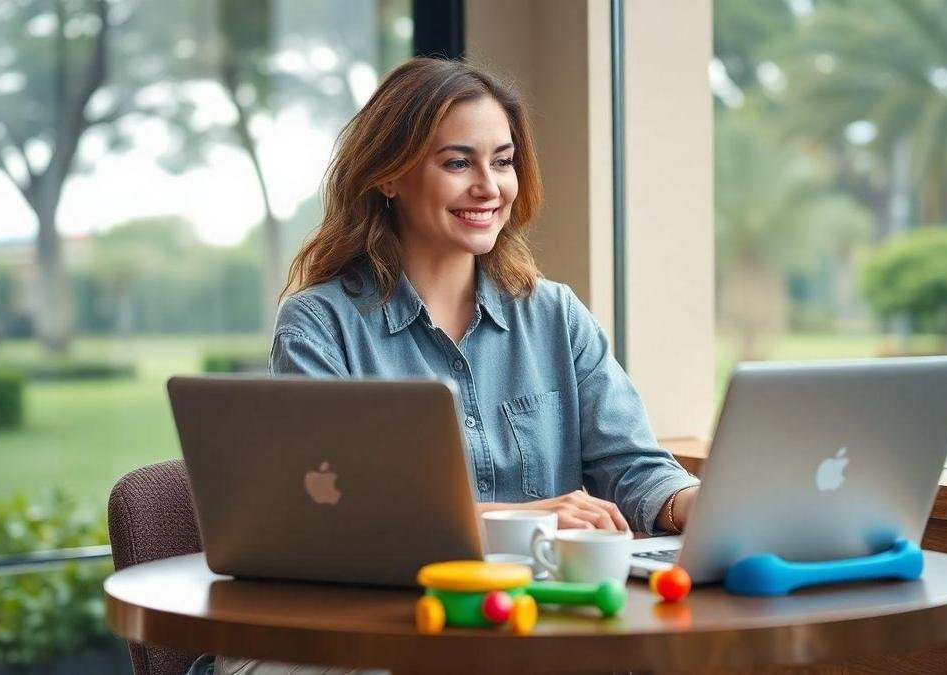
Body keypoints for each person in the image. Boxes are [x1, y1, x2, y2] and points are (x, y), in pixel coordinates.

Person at [195, 57, 699, 675]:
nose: (489, 187)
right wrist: (522, 518)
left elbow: (633, 466)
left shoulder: (555, 314)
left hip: (516, 626)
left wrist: (695, 504)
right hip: (355, 630)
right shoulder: (320, 325)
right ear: (389, 176)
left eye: (504, 160)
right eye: (458, 162)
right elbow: (345, 519)